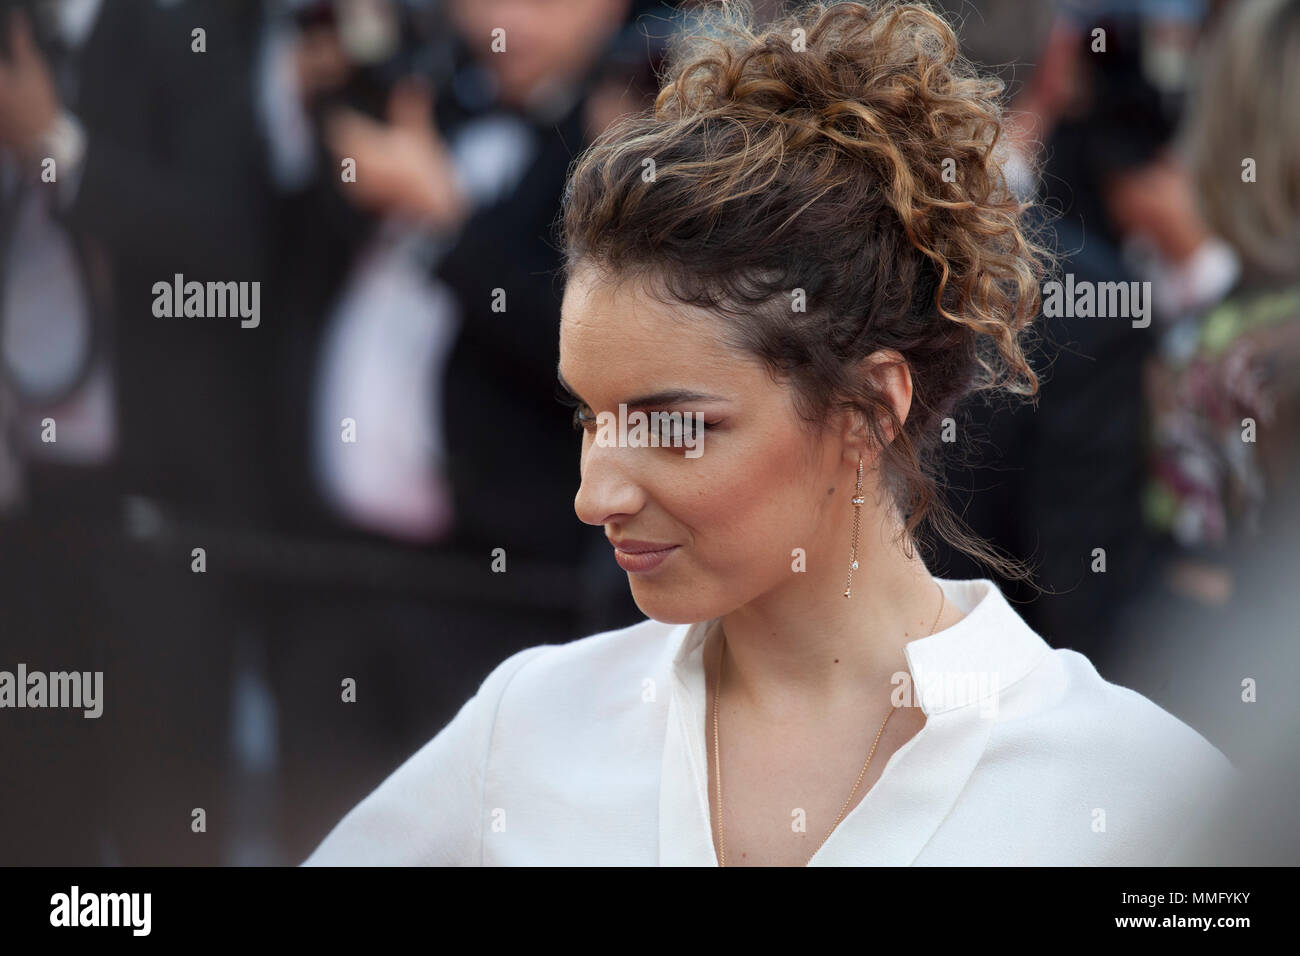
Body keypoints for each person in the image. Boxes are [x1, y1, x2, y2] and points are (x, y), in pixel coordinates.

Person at [302, 0, 1236, 866]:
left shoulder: (1138, 791)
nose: (596, 494)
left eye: (673, 426)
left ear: (872, 408)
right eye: (589, 417)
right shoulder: (529, 726)